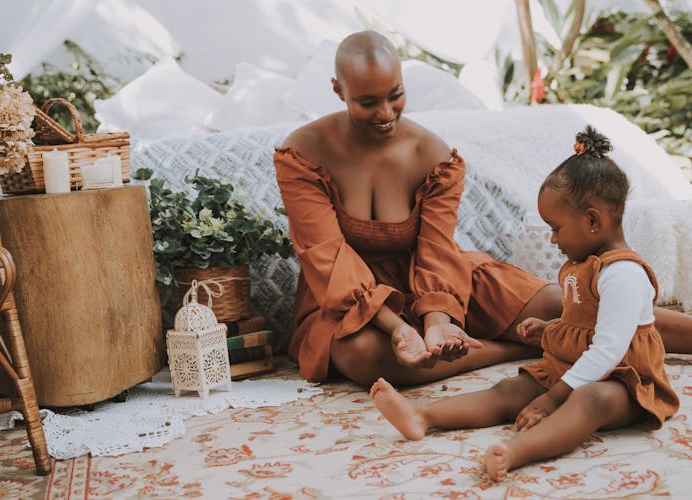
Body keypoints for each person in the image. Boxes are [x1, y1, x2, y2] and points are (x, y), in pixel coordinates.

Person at [273, 30, 692, 386]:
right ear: (337, 90)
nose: (386, 114)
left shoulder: (434, 155)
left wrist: (437, 318)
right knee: (365, 357)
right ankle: (509, 347)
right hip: (345, 295)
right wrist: (400, 328)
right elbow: (326, 256)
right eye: (367, 102)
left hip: (434, 277)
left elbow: (436, 249)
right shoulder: (302, 153)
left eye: (395, 95)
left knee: (564, 304)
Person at [370, 125, 680, 481]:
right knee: (512, 389)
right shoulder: (583, 265)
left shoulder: (623, 274)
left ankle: (517, 452)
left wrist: (553, 398)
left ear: (592, 221)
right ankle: (422, 416)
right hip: (577, 366)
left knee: (590, 401)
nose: (552, 238)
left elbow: (609, 349)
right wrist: (552, 330)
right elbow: (588, 320)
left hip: (628, 382)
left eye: (556, 227)